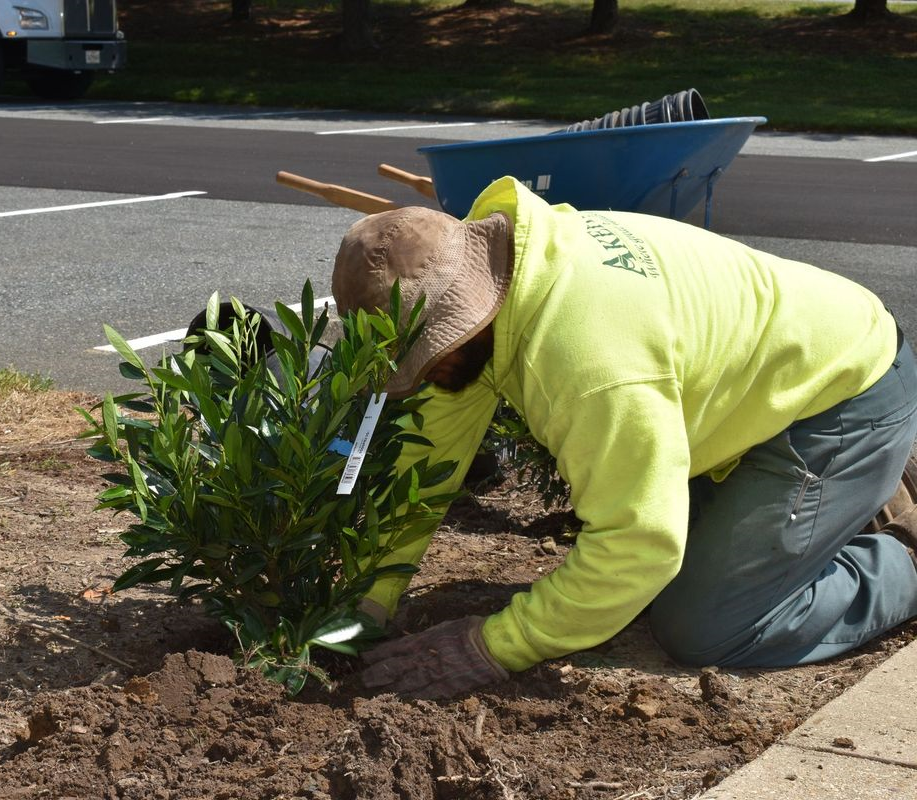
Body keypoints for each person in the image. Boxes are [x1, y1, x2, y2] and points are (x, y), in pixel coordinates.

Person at [332, 175, 917, 700]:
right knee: (669, 579)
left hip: (840, 399)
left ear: (466, 314)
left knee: (705, 625)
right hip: (755, 393)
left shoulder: (589, 364)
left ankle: (901, 554)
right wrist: (370, 600)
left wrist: (494, 646)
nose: (424, 374)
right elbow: (427, 459)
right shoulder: (513, 266)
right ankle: (844, 501)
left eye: (425, 356)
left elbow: (639, 546)